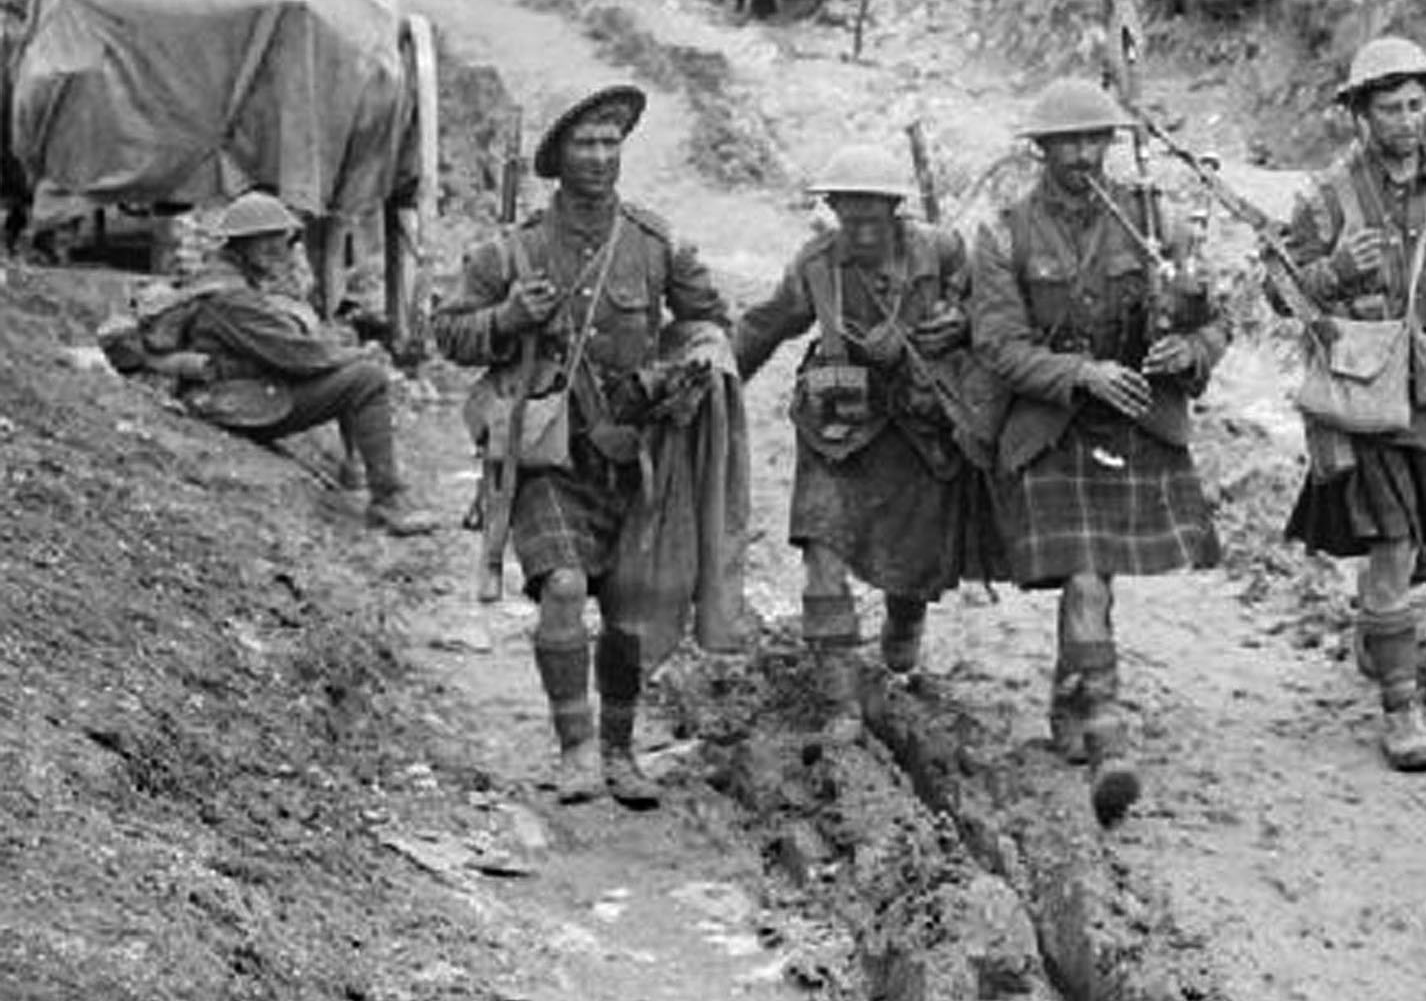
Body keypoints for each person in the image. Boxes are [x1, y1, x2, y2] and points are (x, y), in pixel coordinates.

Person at [433, 85, 742, 806]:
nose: (601, 157)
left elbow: (710, 323)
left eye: (611, 142)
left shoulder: (653, 243)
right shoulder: (515, 250)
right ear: (558, 156)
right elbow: (447, 332)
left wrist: (682, 372)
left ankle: (619, 750)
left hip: (634, 453)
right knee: (565, 587)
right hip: (547, 453)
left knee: (632, 606)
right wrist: (508, 318)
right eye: (585, 143)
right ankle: (575, 748)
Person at [970, 77, 1228, 824]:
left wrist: (1189, 350)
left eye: (1095, 140)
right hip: (1052, 425)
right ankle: (1108, 733)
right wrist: (1081, 373)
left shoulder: (1155, 221)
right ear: (1042, 150)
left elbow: (1215, 319)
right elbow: (998, 345)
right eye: (1068, 143)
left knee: (1096, 579)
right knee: (1086, 575)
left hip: (1134, 422)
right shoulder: (1006, 235)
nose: (1083, 155)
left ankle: (1070, 692)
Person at [1271, 36, 1426, 774]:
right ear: (1360, 114)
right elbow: (1279, 287)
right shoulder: (1327, 194)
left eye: (1416, 105)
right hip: (1370, 398)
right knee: (1394, 547)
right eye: (1390, 108)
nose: (1407, 121)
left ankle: (1377, 623)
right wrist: (1335, 271)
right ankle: (1402, 709)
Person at [733, 145, 980, 743]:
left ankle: (903, 628)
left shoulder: (940, 251)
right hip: (837, 433)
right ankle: (839, 702)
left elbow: (992, 308)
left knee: (911, 570)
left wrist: (963, 323)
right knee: (822, 558)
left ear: (896, 209)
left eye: (874, 216)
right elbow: (764, 327)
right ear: (834, 210)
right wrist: (717, 379)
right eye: (851, 215)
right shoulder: (815, 266)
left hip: (918, 433)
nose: (863, 230)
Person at [170, 190, 431, 536]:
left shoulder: (226, 280)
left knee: (350, 366)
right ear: (246, 244)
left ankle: (354, 469)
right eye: (271, 242)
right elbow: (295, 356)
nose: (281, 250)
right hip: (231, 402)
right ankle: (388, 500)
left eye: (283, 240)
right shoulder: (231, 297)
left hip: (235, 392)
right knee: (366, 378)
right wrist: (354, 355)